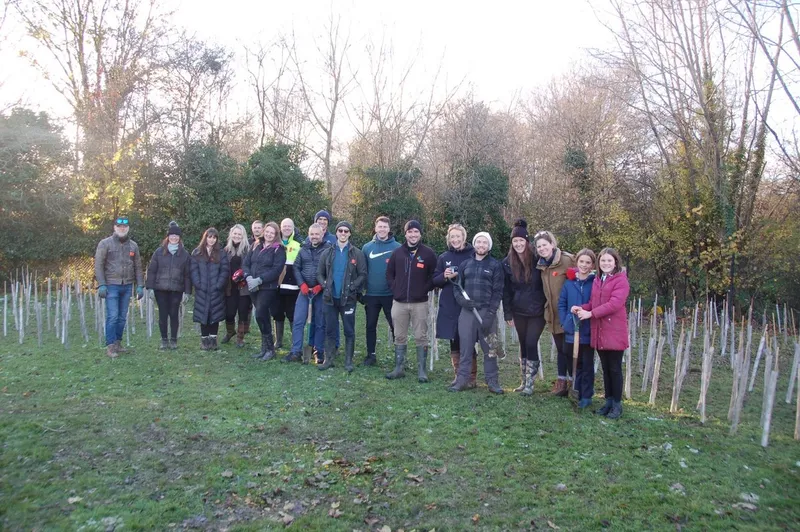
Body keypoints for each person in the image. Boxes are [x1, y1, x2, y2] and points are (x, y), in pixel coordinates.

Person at [573, 248, 629, 419]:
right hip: (600, 330)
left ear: (615, 262)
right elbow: (594, 302)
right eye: (603, 261)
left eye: (609, 261)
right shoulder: (599, 279)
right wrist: (582, 308)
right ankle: (609, 401)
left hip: (614, 331)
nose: (606, 264)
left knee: (615, 369)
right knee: (605, 369)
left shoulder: (621, 281)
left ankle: (617, 405)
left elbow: (614, 304)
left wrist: (590, 314)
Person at [449, 232, 504, 394]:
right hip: (467, 313)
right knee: (465, 348)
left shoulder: (495, 265)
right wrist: (463, 301)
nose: (481, 245)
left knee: (491, 349)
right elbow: (457, 288)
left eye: (485, 243)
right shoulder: (466, 264)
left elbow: (498, 292)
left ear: (489, 246)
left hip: (487, 313)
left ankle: (492, 381)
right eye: (478, 242)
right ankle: (462, 380)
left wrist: (490, 314)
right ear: (474, 244)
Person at [385, 220, 437, 382]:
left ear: (420, 234)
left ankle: (421, 370)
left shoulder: (428, 254)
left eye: (416, 232)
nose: (413, 235)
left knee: (421, 336)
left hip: (420, 303)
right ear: (405, 234)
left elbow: (434, 276)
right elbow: (389, 274)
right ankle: (399, 368)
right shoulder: (397, 253)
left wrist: (424, 289)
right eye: (410, 232)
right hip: (399, 303)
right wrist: (395, 288)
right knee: (399, 335)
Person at [502, 220, 546, 396]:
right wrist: (507, 313)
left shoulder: (538, 260)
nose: (518, 244)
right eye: (515, 241)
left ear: (527, 242)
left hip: (538, 311)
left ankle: (530, 383)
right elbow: (506, 291)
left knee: (531, 342)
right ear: (512, 243)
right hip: (518, 310)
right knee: (522, 344)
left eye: (521, 240)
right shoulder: (507, 263)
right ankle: (524, 381)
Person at [317, 221, 367, 372]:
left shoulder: (356, 253)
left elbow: (363, 274)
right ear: (336, 232)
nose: (343, 233)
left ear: (350, 233)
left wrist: (353, 287)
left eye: (346, 231)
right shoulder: (327, 252)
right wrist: (325, 284)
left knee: (349, 330)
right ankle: (328, 359)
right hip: (330, 298)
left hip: (348, 299)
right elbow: (319, 273)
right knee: (330, 329)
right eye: (340, 231)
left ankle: (348, 361)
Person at [433, 223, 478, 388]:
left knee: (468, 339)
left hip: (467, 302)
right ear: (449, 239)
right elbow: (434, 280)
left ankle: (471, 377)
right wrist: (444, 276)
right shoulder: (444, 257)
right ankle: (459, 376)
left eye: (458, 236)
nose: (455, 239)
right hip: (450, 303)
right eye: (452, 237)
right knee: (454, 338)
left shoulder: (473, 254)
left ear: (464, 237)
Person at [94, 215, 144, 358]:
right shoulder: (105, 244)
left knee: (122, 317)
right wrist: (102, 284)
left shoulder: (133, 246)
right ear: (115, 228)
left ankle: (117, 343)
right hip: (111, 285)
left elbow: (138, 267)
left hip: (127, 285)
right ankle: (110, 346)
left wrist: (140, 285)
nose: (122, 229)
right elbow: (98, 265)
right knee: (113, 316)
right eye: (119, 226)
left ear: (127, 228)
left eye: (125, 227)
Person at [534, 230, 575, 396]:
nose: (542, 248)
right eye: (539, 246)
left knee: (570, 349)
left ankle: (574, 382)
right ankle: (561, 382)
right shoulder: (541, 265)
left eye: (545, 245)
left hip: (569, 313)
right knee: (560, 349)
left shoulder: (567, 260)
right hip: (553, 313)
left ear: (552, 244)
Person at [282, 223, 331, 363]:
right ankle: (296, 351)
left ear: (322, 234)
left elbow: (330, 270)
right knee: (298, 321)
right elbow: (296, 267)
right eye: (312, 234)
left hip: (319, 292)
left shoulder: (328, 250)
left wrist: (320, 286)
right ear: (309, 235)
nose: (314, 237)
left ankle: (319, 352)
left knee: (320, 322)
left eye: (317, 234)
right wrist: (301, 284)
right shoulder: (303, 249)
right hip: (304, 292)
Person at [559, 249, 597, 409]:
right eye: (582, 261)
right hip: (571, 330)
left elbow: (596, 303)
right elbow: (562, 304)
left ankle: (586, 395)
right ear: (577, 262)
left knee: (587, 364)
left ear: (592, 265)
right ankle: (575, 389)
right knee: (573, 362)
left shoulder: (595, 283)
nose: (584, 265)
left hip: (587, 330)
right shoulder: (569, 284)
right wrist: (566, 321)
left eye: (588, 262)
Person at [360, 216, 401, 366]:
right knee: (370, 325)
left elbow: (401, 272)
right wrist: (361, 291)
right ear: (375, 228)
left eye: (385, 227)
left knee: (395, 326)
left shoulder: (397, 247)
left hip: (390, 295)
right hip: (371, 295)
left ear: (389, 229)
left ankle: (399, 357)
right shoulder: (367, 248)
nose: (382, 229)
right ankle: (371, 355)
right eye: (380, 226)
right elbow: (362, 271)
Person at [243, 221, 286, 361]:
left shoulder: (278, 249)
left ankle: (270, 349)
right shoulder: (256, 245)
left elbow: (276, 270)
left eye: (272, 233)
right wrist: (248, 276)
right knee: (261, 316)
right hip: (253, 286)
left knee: (261, 312)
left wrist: (260, 279)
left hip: (267, 287)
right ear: (264, 232)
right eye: (267, 231)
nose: (268, 234)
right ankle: (265, 348)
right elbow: (246, 263)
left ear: (276, 235)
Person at [145, 221, 192, 350]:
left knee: (174, 314)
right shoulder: (159, 252)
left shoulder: (185, 255)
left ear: (179, 238)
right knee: (163, 315)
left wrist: (187, 292)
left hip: (177, 289)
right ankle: (164, 339)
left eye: (177, 236)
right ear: (168, 237)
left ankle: (174, 340)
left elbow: (187, 275)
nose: (174, 238)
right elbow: (152, 270)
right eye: (172, 235)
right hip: (161, 289)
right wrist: (150, 287)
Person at [190, 227, 231, 351]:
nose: (212, 240)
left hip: (216, 290)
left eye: (214, 238)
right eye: (209, 237)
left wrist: (219, 285)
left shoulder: (221, 253)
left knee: (215, 315)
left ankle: (213, 341)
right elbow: (193, 270)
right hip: (202, 290)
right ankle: (204, 341)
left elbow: (225, 270)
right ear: (205, 237)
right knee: (203, 315)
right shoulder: (197, 253)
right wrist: (198, 284)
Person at [270, 218, 302, 350]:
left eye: (289, 226)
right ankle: (278, 341)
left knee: (292, 314)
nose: (287, 228)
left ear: (293, 228)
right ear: (280, 228)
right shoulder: (274, 244)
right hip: (276, 287)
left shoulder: (298, 244)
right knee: (277, 313)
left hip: (292, 287)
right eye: (284, 226)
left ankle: (295, 342)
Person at [222, 224, 252, 347]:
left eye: (239, 234)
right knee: (229, 313)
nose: (237, 236)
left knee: (243, 312)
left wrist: (244, 275)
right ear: (231, 234)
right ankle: (230, 332)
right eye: (235, 233)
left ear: (243, 235)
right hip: (230, 287)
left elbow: (251, 266)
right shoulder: (226, 250)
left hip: (243, 287)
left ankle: (240, 338)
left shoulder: (248, 250)